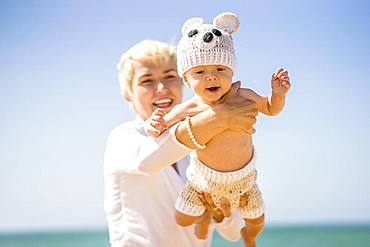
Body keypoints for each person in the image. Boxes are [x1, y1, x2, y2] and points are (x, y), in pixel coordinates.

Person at [145, 12, 291, 247]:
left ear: (232, 71)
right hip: (202, 182)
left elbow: (271, 109)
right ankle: (205, 216)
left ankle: (250, 237)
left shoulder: (244, 96)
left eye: (220, 69)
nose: (211, 77)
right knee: (182, 219)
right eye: (200, 72)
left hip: (244, 180)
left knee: (257, 220)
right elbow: (163, 125)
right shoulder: (192, 105)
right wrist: (153, 124)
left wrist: (278, 94)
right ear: (186, 80)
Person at [103, 39, 259, 247]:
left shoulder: (204, 144)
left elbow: (232, 233)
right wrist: (219, 117)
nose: (161, 88)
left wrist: (221, 210)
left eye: (170, 77)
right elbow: (147, 161)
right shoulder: (124, 137)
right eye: (147, 81)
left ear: (185, 81)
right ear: (128, 96)